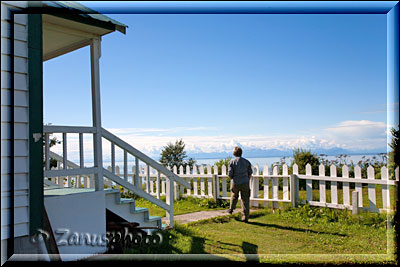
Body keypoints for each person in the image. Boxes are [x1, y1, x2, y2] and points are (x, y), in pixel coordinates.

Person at [227, 146, 252, 222]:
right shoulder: (247, 162)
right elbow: (250, 173)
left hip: (236, 182)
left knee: (234, 196)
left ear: (234, 153)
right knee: (245, 199)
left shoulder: (232, 162)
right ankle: (245, 217)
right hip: (245, 182)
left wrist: (232, 180)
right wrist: (247, 179)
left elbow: (230, 174)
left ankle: (231, 209)